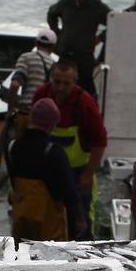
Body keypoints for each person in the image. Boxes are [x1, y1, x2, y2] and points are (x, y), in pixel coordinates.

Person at [32, 58, 107, 241]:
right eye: (57, 82)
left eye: (66, 83)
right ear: (51, 79)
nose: (60, 88)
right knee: (46, 219)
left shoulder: (85, 104)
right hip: (47, 172)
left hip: (77, 174)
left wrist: (88, 174)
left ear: (75, 82)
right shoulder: (42, 94)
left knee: (80, 224)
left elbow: (100, 141)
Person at [9, 98, 84, 241]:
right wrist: (80, 220)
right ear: (52, 125)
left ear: (31, 118)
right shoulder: (53, 152)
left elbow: (14, 184)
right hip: (48, 229)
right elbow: (70, 192)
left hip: (21, 223)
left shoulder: (13, 147)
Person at [46, 0, 110, 95]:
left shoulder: (97, 7)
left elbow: (114, 21)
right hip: (66, 53)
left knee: (84, 89)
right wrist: (57, 33)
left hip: (85, 55)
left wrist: (101, 37)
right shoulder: (66, 2)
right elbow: (51, 13)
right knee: (61, 85)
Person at [5, 28, 59, 123]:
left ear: (36, 43)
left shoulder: (26, 57)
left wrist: (10, 109)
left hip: (27, 113)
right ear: (53, 47)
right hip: (45, 117)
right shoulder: (55, 65)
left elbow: (15, 85)